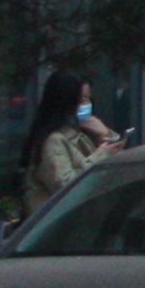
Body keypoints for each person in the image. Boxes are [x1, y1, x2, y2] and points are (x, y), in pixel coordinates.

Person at [17, 68, 123, 214]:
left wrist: (106, 134)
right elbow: (64, 186)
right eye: (82, 99)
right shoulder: (53, 141)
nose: (87, 104)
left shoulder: (79, 134)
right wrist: (100, 155)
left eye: (88, 98)